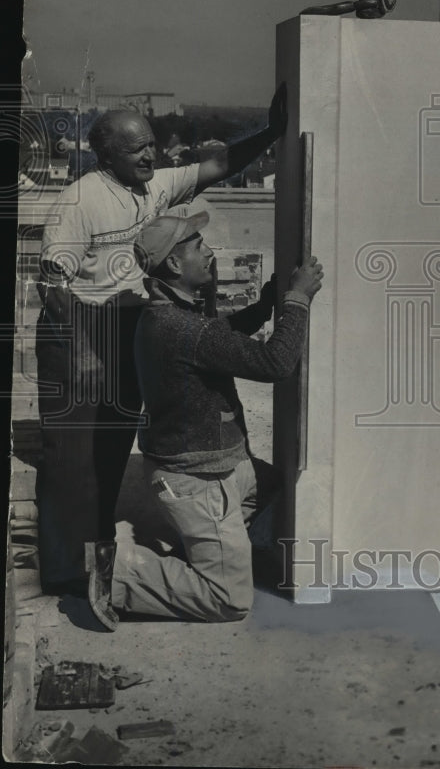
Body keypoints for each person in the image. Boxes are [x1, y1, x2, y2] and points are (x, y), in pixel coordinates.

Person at [36, 84, 289, 593]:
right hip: (79, 332)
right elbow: (51, 284)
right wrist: (84, 351)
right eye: (136, 148)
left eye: (151, 143)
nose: (149, 154)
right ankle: (62, 571)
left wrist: (271, 131)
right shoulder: (79, 201)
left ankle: (98, 552)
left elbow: (218, 166)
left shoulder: (155, 186)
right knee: (71, 458)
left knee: (111, 447)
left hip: (129, 328)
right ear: (106, 155)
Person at [86, 211, 323, 628]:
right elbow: (275, 362)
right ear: (175, 265)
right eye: (199, 245)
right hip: (199, 483)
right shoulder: (185, 330)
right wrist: (297, 300)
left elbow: (218, 337)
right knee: (229, 600)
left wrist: (265, 305)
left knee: (278, 489)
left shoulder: (165, 316)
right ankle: (118, 571)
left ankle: (210, 553)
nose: (210, 251)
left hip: (218, 470)